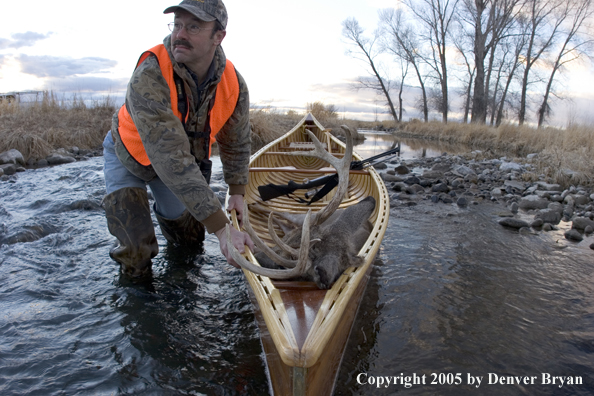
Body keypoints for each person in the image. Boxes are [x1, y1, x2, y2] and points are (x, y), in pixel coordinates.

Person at [102, 0, 254, 277]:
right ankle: (141, 309)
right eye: (177, 24)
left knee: (189, 241)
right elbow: (169, 155)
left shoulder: (234, 83)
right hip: (128, 154)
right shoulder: (151, 71)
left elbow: (236, 141)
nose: (180, 34)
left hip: (175, 165)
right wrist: (222, 229)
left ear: (218, 37)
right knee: (135, 252)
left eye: (193, 26)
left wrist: (237, 192)